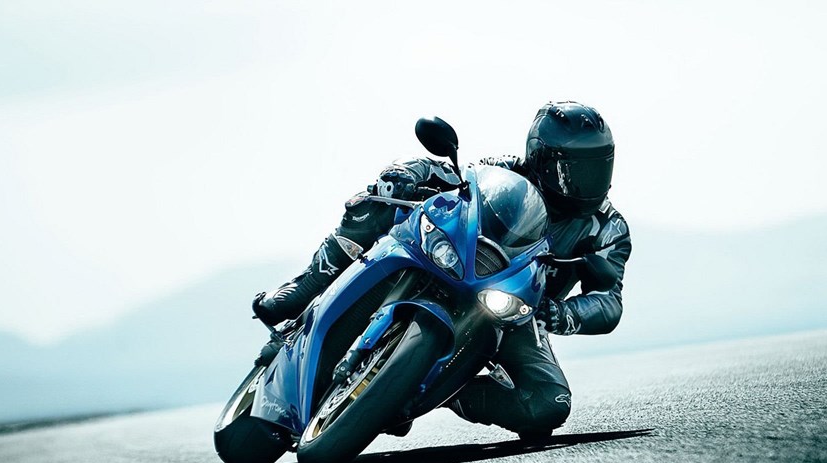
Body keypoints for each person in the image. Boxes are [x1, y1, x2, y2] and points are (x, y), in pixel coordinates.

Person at [252, 101, 631, 438]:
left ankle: (434, 391)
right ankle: (305, 287)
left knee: (549, 404)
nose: (586, 184)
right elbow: (453, 174)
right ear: (541, 159)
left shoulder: (608, 228)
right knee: (377, 202)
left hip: (517, 313)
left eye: (597, 169)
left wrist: (561, 313)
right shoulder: (505, 173)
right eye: (573, 170)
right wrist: (407, 174)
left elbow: (609, 301)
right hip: (453, 265)